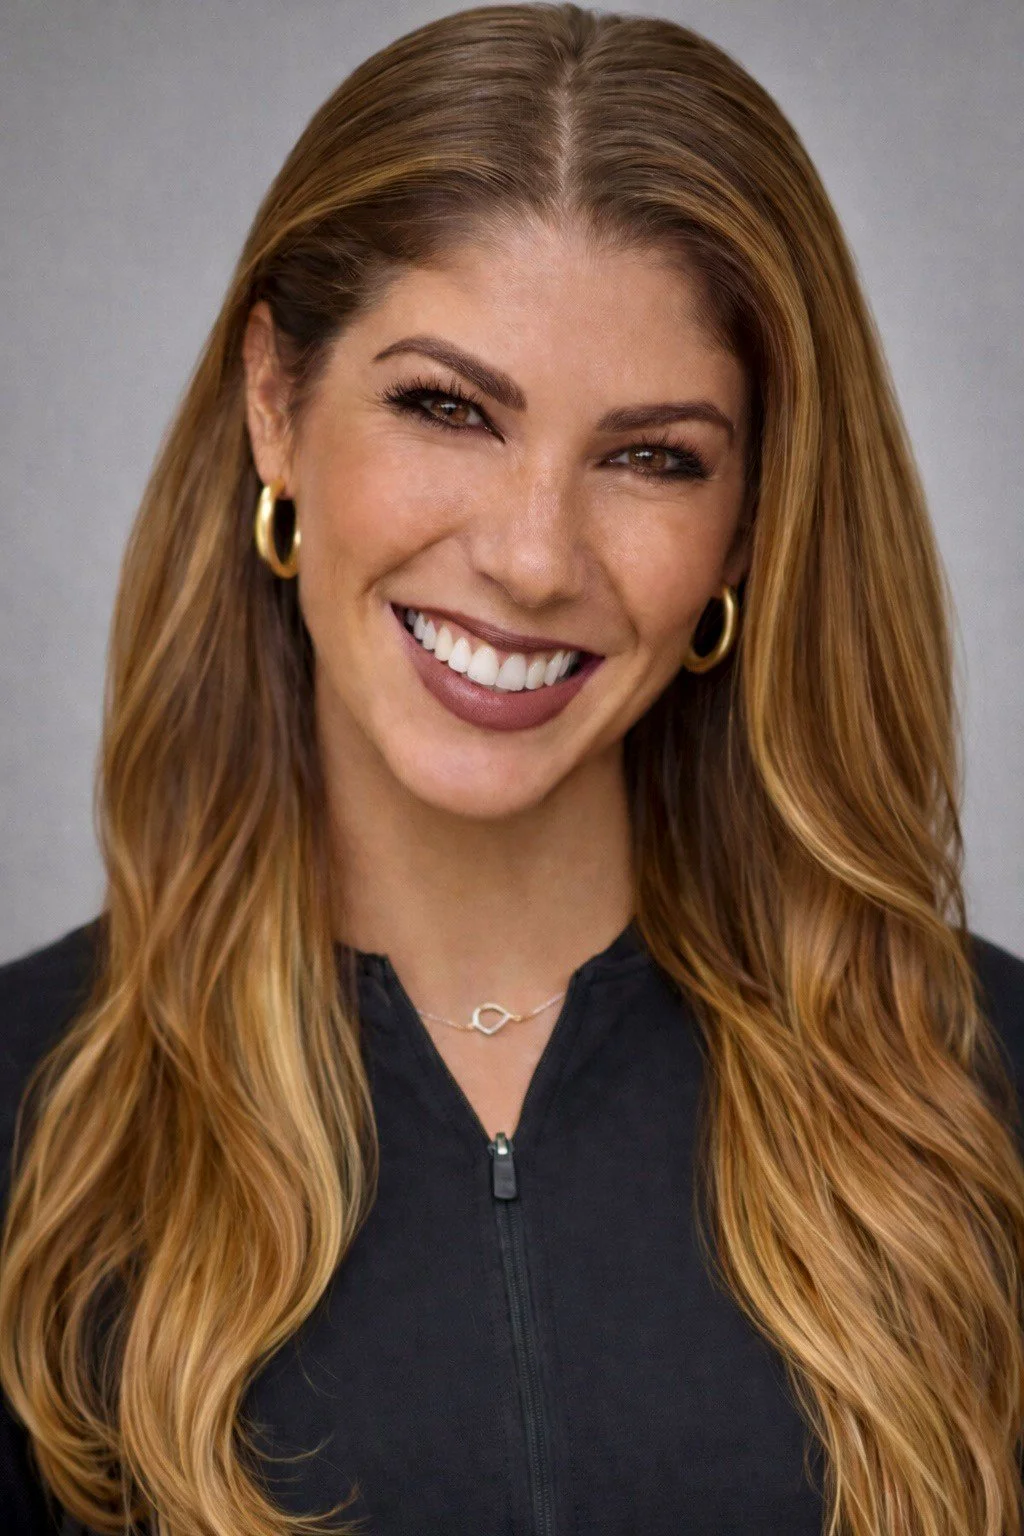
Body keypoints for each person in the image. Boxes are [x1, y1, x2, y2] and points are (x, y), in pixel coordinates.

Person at [1, 4, 1023, 1533]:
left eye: (652, 457)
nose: (535, 557)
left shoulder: (985, 1096)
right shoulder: (27, 1119)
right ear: (275, 403)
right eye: (447, 408)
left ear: (752, 524)